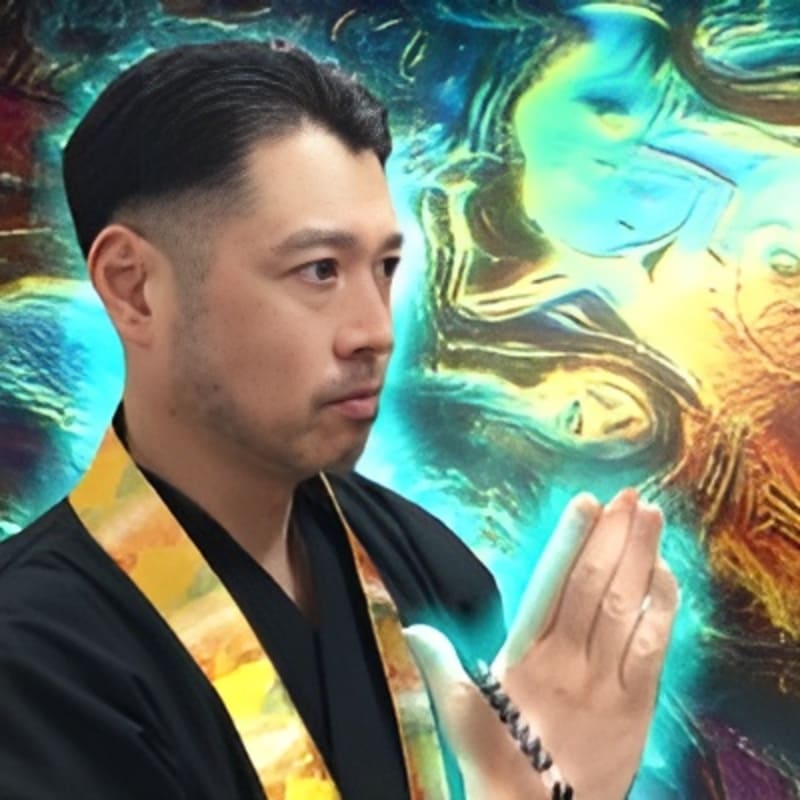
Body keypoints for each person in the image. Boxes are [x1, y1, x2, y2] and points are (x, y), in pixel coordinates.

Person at [0, 40, 678, 800]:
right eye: (319, 269)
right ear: (135, 288)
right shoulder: (30, 656)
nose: (375, 331)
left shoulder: (427, 568)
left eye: (383, 268)